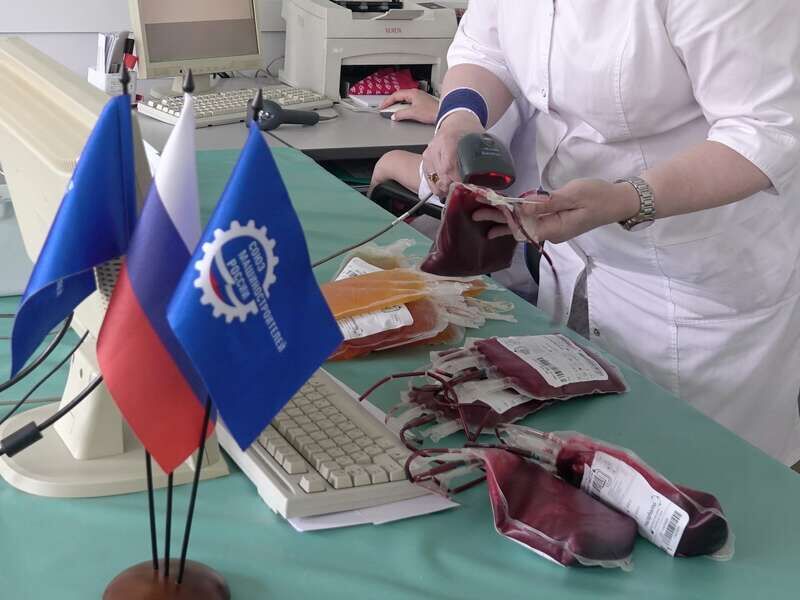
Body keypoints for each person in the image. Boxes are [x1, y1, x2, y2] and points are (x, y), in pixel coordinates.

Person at [420, 1, 800, 466]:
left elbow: (766, 129)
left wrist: (626, 198)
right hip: (576, 250)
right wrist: (460, 121)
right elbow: (486, 49)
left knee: (702, 475)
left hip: (694, 280)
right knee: (575, 463)